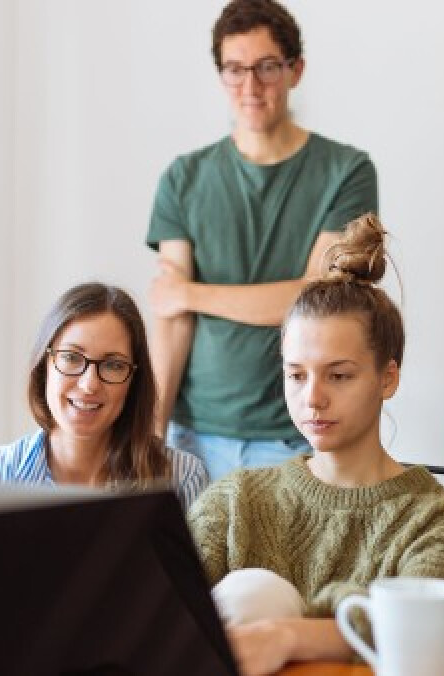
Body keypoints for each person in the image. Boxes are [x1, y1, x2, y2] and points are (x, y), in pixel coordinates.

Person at [187, 214, 444, 676]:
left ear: (387, 377)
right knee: (253, 592)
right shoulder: (234, 502)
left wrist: (285, 636)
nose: (313, 398)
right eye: (296, 375)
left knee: (258, 594)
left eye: (339, 375)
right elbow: (160, 617)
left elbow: (417, 639)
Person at [146, 0, 378, 481]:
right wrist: (150, 436)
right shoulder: (183, 178)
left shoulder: (347, 171)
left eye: (267, 67)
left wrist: (190, 292)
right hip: (192, 436)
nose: (250, 87)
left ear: (296, 70)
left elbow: (315, 299)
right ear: (220, 75)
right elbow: (172, 320)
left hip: (296, 432)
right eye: (235, 69)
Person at [0, 283, 208, 510]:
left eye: (113, 365)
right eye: (71, 357)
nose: (89, 385)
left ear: (134, 380)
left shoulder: (182, 478)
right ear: (44, 365)